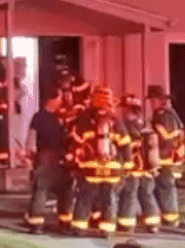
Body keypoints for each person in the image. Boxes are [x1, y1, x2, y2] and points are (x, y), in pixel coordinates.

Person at [69, 86, 132, 235]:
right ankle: (107, 228)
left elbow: (76, 139)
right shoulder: (115, 120)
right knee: (109, 198)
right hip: (112, 167)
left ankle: (79, 226)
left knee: (85, 195)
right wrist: (127, 164)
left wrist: (74, 161)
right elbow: (125, 143)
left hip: (91, 167)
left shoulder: (85, 118)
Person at [23, 94, 70, 231]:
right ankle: (45, 222)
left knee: (50, 189)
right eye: (59, 98)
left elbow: (31, 138)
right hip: (51, 157)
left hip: (52, 157)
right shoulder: (51, 118)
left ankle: (40, 222)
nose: (61, 101)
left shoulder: (43, 117)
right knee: (47, 189)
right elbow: (32, 140)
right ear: (51, 99)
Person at [115, 94, 161, 233]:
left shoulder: (127, 126)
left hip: (134, 167)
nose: (122, 112)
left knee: (129, 194)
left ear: (128, 110)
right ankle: (153, 224)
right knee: (147, 195)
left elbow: (124, 145)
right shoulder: (146, 125)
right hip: (148, 168)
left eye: (124, 109)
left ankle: (127, 223)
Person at [147, 84, 185, 227]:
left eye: (153, 100)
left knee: (165, 187)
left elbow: (165, 136)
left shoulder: (163, 116)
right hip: (168, 158)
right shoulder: (170, 114)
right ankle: (168, 218)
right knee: (163, 187)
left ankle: (171, 220)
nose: (151, 104)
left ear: (159, 100)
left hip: (166, 158)